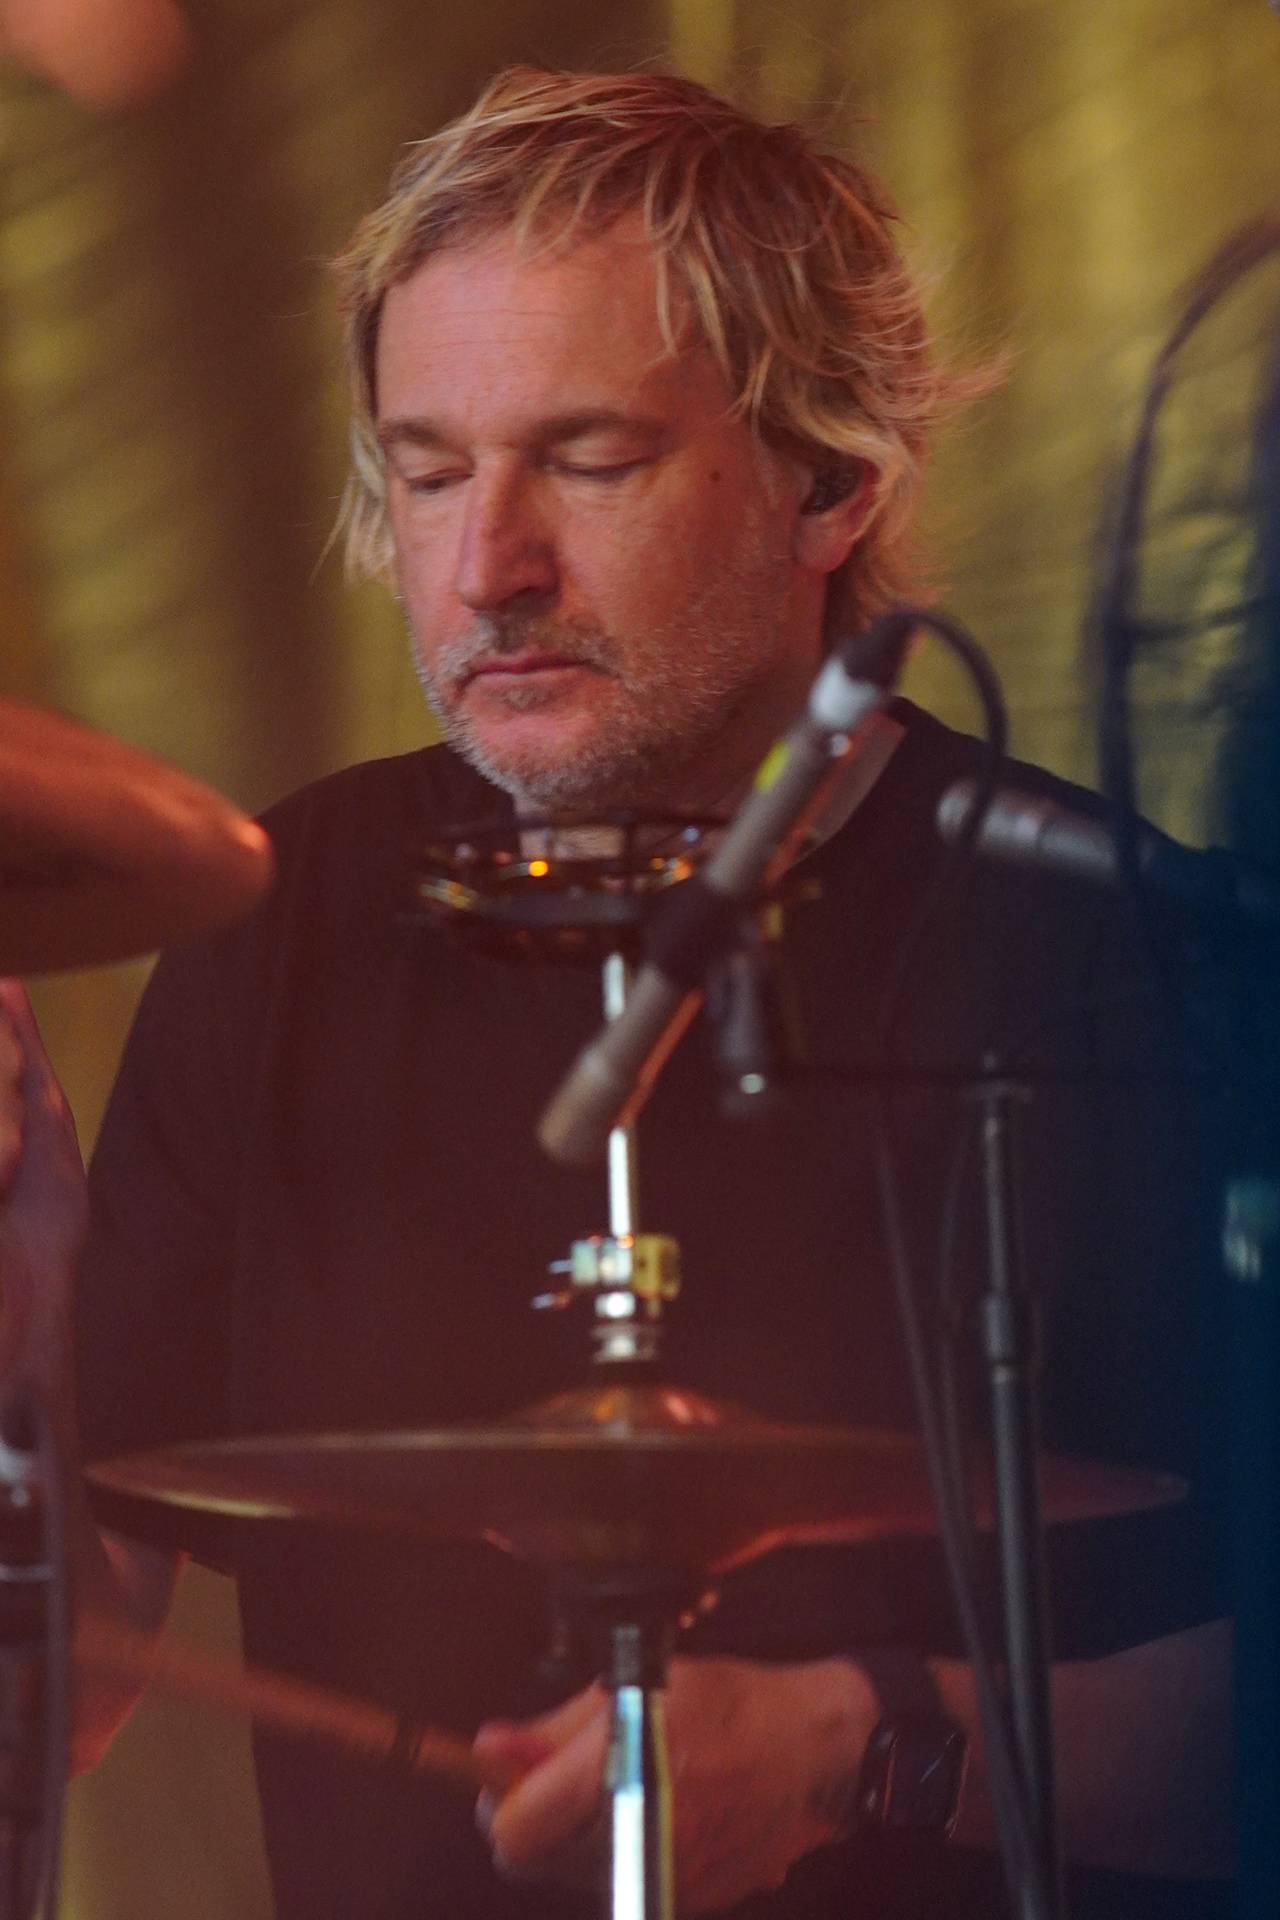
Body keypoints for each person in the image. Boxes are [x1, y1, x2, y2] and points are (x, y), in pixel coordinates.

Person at [0, 66, 1233, 1920]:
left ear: (831, 485)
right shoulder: (277, 922)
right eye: (428, 472)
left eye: (588, 460)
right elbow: (55, 1701)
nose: (486, 567)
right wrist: (21, 1332)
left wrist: (871, 1743)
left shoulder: (1122, 959)